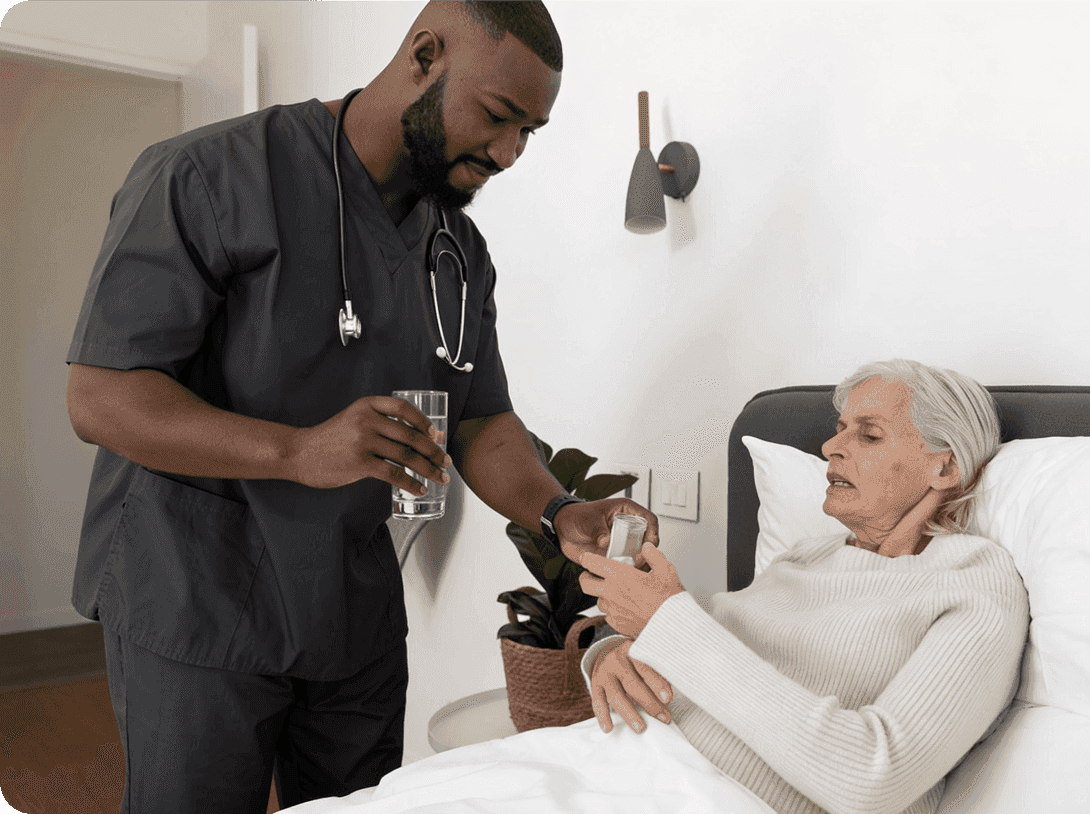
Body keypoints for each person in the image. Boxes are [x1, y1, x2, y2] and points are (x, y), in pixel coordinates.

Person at [63, 2, 657, 812]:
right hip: (195, 590)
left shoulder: (456, 250)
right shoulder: (210, 176)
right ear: (424, 55)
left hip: (349, 608)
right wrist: (298, 451)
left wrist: (560, 511)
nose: (511, 152)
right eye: (497, 116)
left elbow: (480, 417)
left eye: (531, 132)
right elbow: (102, 396)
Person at [579, 359, 1030, 814]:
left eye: (869, 435)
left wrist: (667, 623)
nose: (831, 445)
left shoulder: (972, 582)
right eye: (839, 428)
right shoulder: (805, 556)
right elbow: (707, 651)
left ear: (945, 468)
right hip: (612, 767)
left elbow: (871, 779)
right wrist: (617, 651)